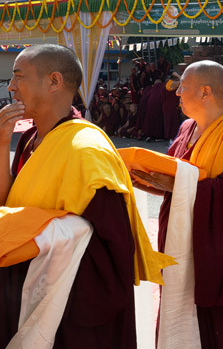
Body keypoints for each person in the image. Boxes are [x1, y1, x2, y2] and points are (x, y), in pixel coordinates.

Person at [0, 44, 172, 347]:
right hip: (25, 282)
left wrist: (44, 233)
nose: (11, 87)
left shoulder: (86, 150)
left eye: (18, 77)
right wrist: (2, 144)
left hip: (70, 300)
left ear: (54, 82)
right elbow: (7, 201)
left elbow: (112, 247)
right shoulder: (29, 138)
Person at [132, 60, 223, 348]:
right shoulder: (187, 128)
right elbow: (173, 174)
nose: (177, 93)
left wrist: (179, 185)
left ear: (205, 92)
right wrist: (146, 179)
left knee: (220, 328)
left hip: (219, 248)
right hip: (180, 236)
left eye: (183, 87)